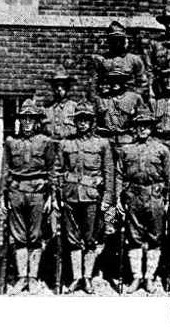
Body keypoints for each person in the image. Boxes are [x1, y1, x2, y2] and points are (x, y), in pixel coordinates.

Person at [54, 101, 113, 294]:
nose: (82, 124)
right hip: (70, 196)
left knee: (90, 238)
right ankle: (76, 277)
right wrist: (57, 196)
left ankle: (87, 278)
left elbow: (108, 172)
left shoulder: (102, 143)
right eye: (79, 120)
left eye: (86, 120)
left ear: (91, 122)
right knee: (72, 239)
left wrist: (107, 198)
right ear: (75, 122)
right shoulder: (66, 143)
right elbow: (57, 170)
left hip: (91, 197)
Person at [116, 109, 170, 294]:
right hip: (133, 196)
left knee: (155, 237)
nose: (142, 128)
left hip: (155, 195)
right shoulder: (126, 150)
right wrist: (118, 198)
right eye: (139, 125)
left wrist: (169, 202)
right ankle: (136, 277)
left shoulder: (162, 150)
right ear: (135, 128)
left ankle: (149, 276)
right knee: (134, 237)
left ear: (152, 127)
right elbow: (118, 175)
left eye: (146, 125)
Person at [2, 99, 56, 294]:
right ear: (19, 121)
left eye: (30, 119)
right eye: (24, 119)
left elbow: (51, 171)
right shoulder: (11, 142)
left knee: (35, 236)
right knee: (18, 236)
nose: (27, 123)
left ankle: (32, 277)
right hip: (16, 192)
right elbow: (5, 170)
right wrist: (3, 197)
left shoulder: (45, 142)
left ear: (36, 122)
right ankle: (21, 277)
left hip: (38, 193)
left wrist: (51, 196)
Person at [92, 22, 148, 99]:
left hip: (129, 99)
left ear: (125, 40)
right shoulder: (102, 60)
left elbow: (143, 83)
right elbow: (94, 84)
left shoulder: (134, 60)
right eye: (115, 40)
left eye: (120, 39)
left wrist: (133, 98)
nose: (118, 43)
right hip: (108, 99)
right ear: (109, 40)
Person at [95, 70, 147, 146]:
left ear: (124, 81)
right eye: (112, 80)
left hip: (128, 140)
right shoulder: (100, 99)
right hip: (106, 140)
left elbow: (143, 120)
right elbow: (94, 121)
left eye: (118, 79)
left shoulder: (135, 97)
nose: (115, 82)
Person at [42, 68, 79, 140]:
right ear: (52, 87)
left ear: (68, 87)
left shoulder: (75, 107)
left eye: (63, 85)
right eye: (56, 85)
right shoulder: (46, 109)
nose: (59, 89)